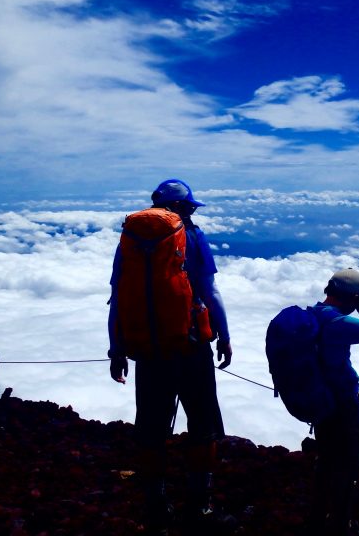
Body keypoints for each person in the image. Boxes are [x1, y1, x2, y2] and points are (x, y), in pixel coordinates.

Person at [106, 178, 233, 533]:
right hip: (191, 347)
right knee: (202, 427)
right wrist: (223, 334)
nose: (192, 212)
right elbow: (209, 290)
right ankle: (199, 507)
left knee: (151, 430)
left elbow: (119, 295)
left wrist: (117, 348)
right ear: (182, 207)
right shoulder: (192, 236)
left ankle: (156, 507)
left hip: (147, 351)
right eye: (190, 206)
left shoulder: (129, 242)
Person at [308, 268, 359, 535]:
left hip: (321, 400)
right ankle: (339, 523)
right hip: (343, 402)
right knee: (347, 464)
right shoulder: (339, 324)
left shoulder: (315, 314)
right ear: (352, 298)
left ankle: (317, 518)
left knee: (326, 459)